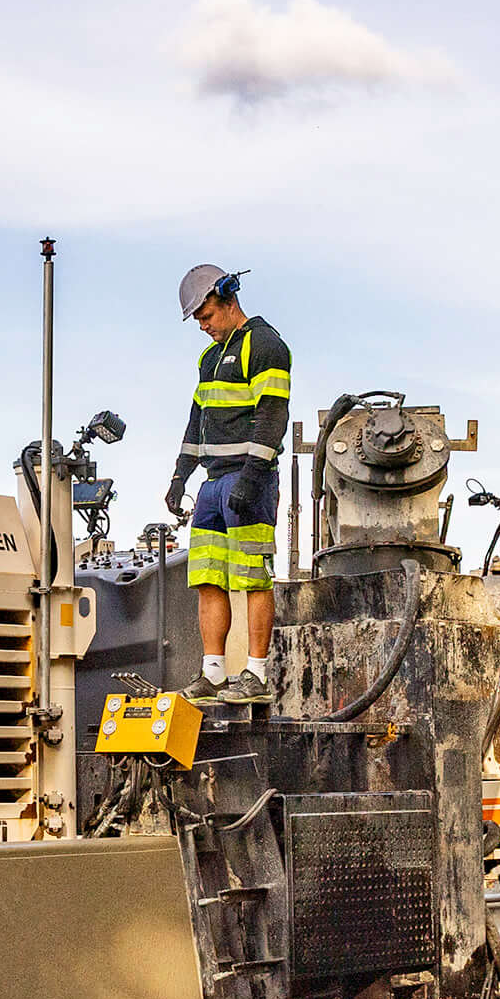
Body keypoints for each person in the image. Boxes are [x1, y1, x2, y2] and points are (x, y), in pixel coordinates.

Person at [163, 264, 291, 702]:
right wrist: (180, 478)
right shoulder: (208, 358)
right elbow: (197, 419)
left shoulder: (265, 344)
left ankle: (255, 673)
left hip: (249, 480)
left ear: (228, 299)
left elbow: (273, 416)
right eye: (197, 320)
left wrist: (253, 477)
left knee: (254, 576)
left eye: (207, 316)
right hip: (213, 485)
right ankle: (213, 671)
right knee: (208, 578)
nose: (203, 326)